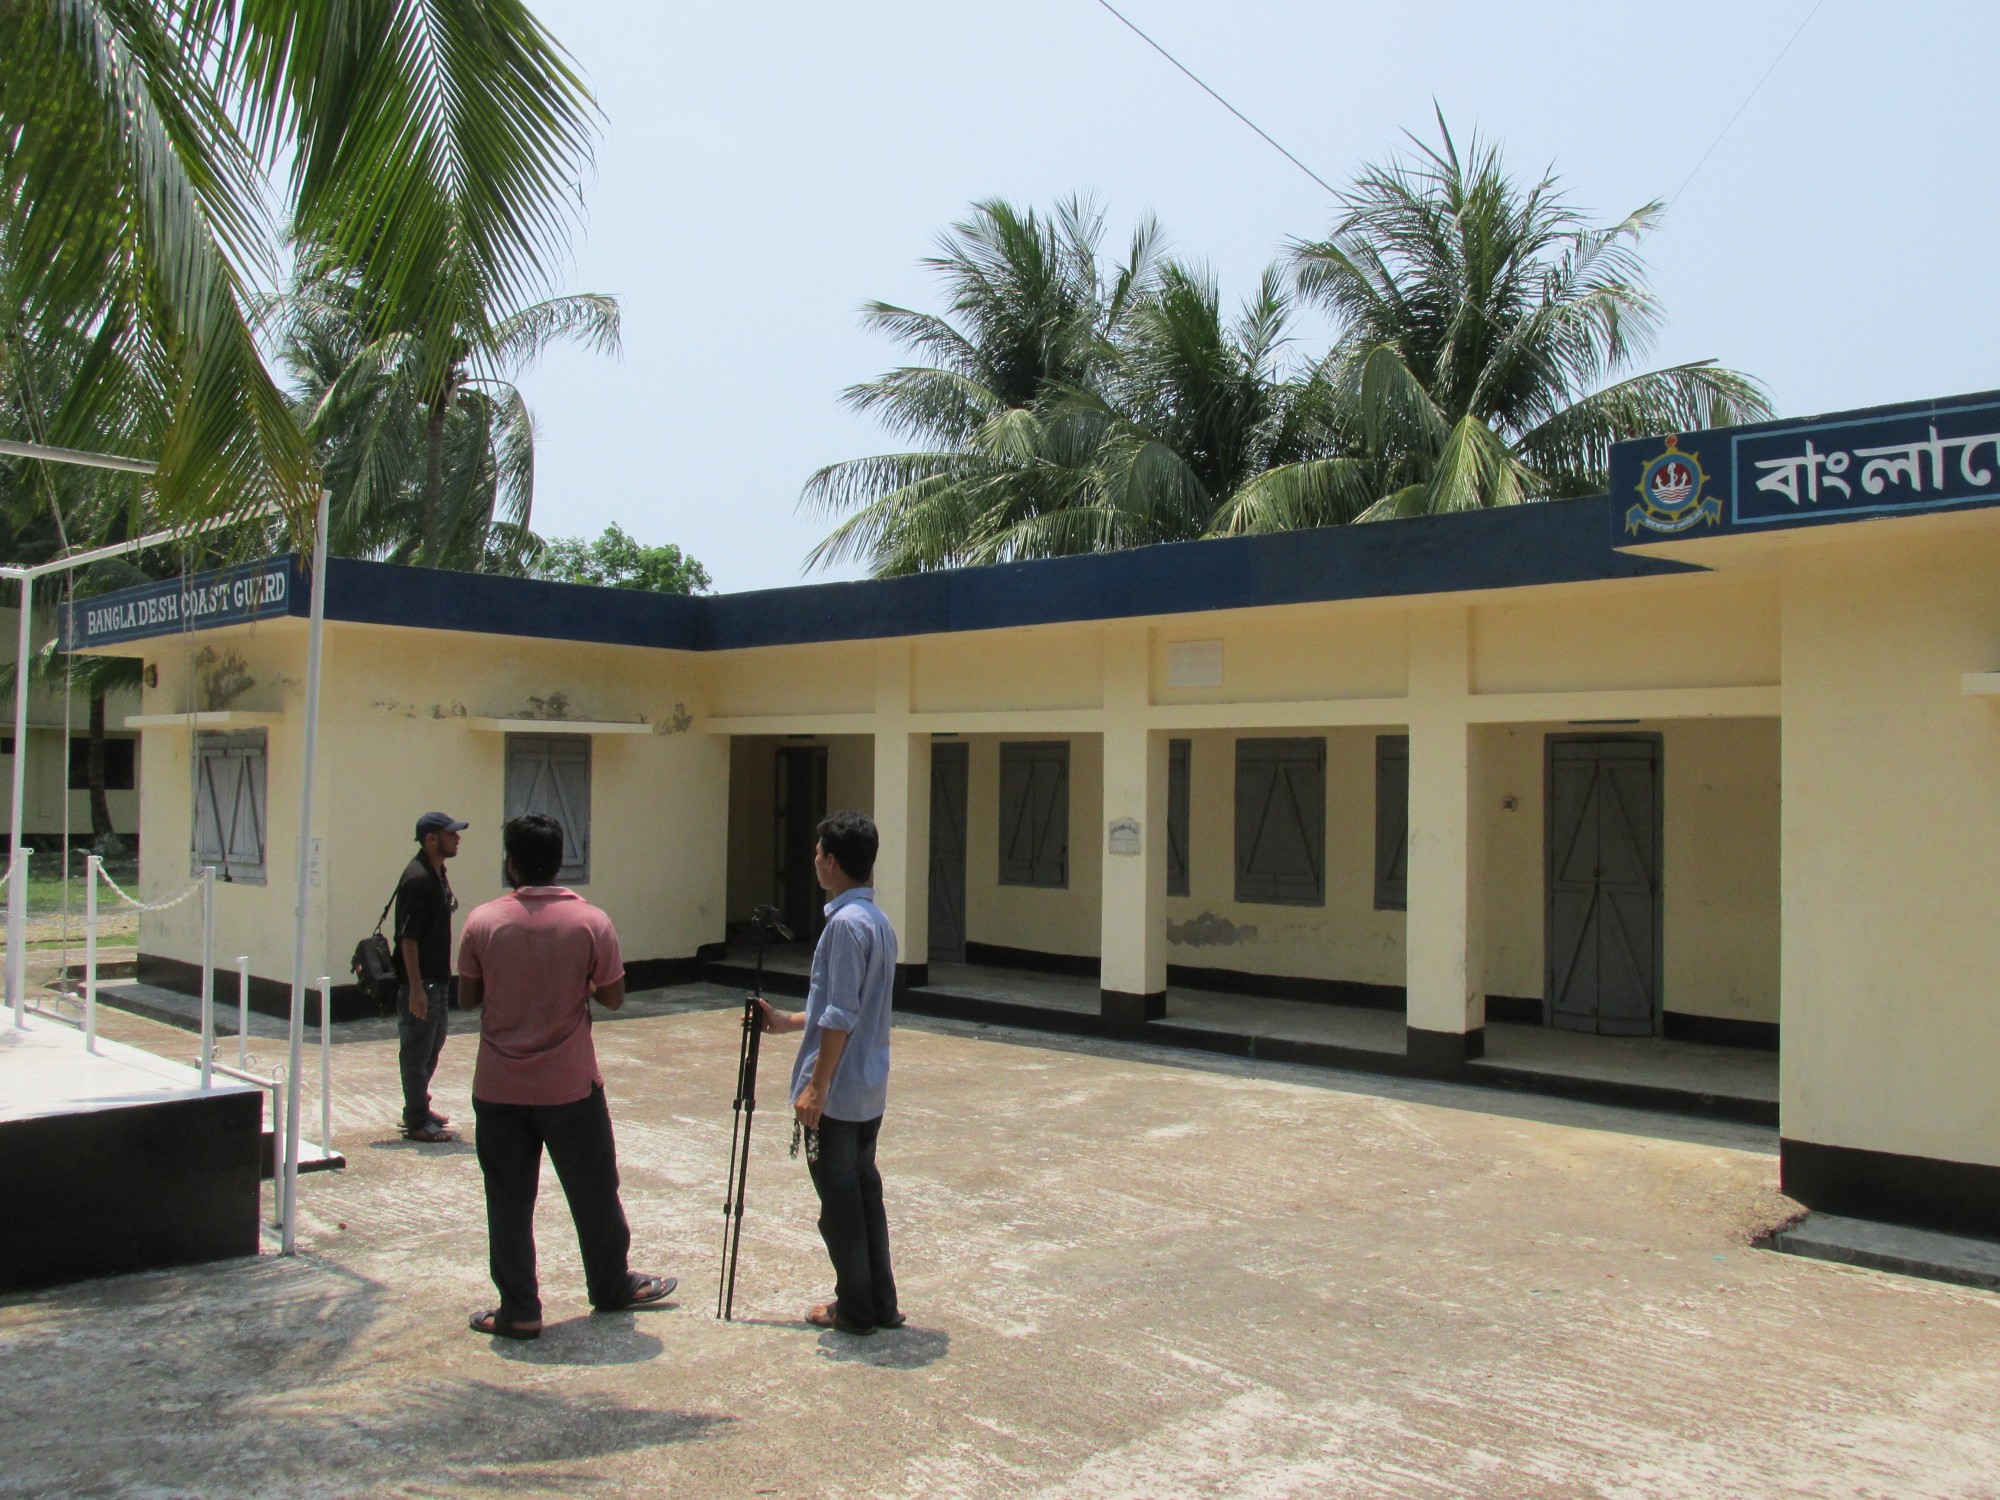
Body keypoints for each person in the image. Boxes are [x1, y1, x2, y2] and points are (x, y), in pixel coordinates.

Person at [457, 812, 674, 1340]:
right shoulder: (591, 922)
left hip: (499, 1086)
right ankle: (610, 1284)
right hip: (570, 1085)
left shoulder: (482, 922)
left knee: (508, 1200)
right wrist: (579, 986)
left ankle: (520, 1310)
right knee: (594, 1190)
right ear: (560, 863)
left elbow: (466, 998)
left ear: (510, 862)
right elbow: (614, 997)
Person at [759, 809, 905, 1336]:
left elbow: (841, 1015)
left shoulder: (843, 926)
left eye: (819, 853)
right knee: (863, 1194)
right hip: (867, 1088)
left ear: (834, 862)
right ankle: (879, 1302)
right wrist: (785, 1023)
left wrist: (816, 1087)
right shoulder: (877, 921)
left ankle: (855, 1308)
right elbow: (840, 1007)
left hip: (839, 1094)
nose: (815, 860)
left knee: (840, 1203)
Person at [395, 811, 464, 1143]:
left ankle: (419, 1106)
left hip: (438, 978)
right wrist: (416, 988)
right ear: (431, 839)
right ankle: (417, 1120)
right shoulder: (418, 878)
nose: (457, 839)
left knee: (432, 1047)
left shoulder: (436, 873)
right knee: (416, 1052)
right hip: (422, 982)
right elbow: (407, 939)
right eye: (451, 834)